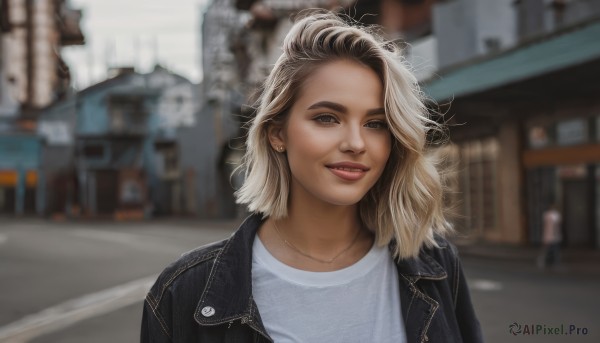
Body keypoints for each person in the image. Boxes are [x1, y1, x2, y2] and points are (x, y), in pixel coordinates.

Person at [141, 11, 483, 343]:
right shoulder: (183, 292)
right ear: (277, 133)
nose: (355, 143)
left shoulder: (436, 265)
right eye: (327, 118)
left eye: (375, 123)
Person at [539, 203, 562, 268]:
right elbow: (557, 225)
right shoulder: (556, 215)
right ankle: (553, 261)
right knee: (554, 249)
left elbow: (545, 226)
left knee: (548, 249)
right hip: (553, 235)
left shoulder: (546, 215)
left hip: (548, 235)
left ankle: (547, 261)